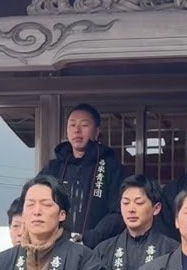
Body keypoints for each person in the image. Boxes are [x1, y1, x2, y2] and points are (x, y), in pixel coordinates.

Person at [40, 103, 128, 248]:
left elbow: (119, 211)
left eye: (84, 125)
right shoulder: (53, 168)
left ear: (97, 131)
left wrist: (91, 238)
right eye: (72, 125)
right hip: (56, 249)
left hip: (99, 249)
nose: (77, 130)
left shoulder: (112, 167)